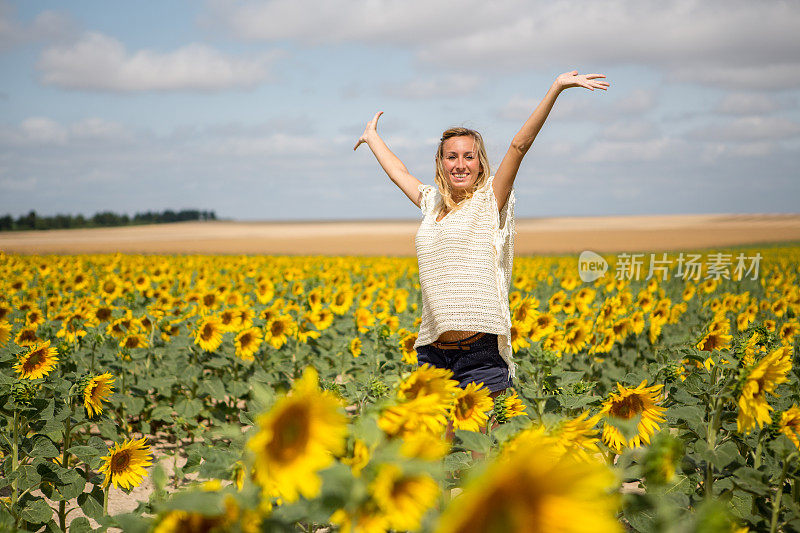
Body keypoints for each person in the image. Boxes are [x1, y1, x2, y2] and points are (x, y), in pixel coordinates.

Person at [354, 70, 610, 402]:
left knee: (481, 450)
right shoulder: (431, 203)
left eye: (468, 156)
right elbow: (399, 172)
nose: (460, 164)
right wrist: (373, 138)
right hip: (433, 355)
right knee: (438, 450)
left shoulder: (490, 201)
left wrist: (556, 88)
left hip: (479, 355)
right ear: (441, 163)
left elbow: (519, 146)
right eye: (451, 156)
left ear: (480, 163)